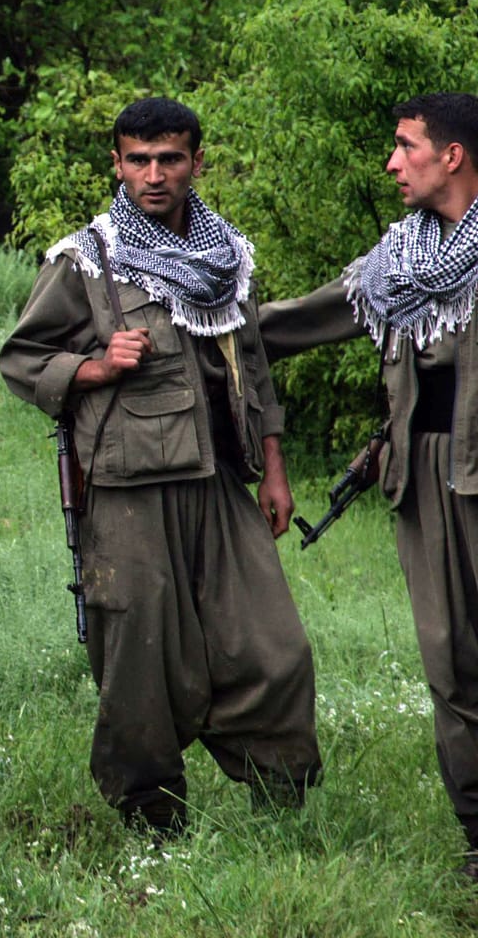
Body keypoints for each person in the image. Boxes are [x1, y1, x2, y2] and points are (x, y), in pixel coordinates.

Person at [0, 96, 320, 833]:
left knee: (273, 646)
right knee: (141, 663)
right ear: (116, 164)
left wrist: (272, 464)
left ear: (196, 162)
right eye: (137, 160)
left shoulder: (226, 258)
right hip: (128, 491)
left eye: (169, 158)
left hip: (220, 484)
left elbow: (256, 366)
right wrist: (92, 366)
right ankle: (151, 817)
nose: (154, 175)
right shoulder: (86, 260)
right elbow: (21, 359)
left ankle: (282, 801)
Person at [260, 93, 478, 879]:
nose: (391, 163)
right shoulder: (400, 260)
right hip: (427, 476)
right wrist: (198, 326)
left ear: (450, 156)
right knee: (451, 662)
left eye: (404, 146)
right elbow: (299, 320)